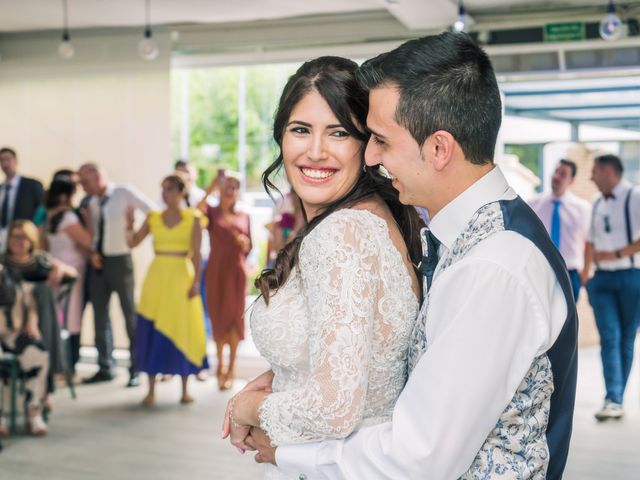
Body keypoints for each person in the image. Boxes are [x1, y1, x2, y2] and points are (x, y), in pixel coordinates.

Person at [237, 33, 578, 479]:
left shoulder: (494, 267)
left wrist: (274, 439)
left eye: (379, 139)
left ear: (438, 148)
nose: (372, 157)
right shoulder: (461, 238)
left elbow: (419, 458)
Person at [223, 56, 423, 480]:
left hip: (332, 464)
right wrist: (283, 375)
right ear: (281, 136)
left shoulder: (342, 234)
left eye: (338, 133)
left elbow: (334, 409)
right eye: (300, 130)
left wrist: (244, 406)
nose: (315, 151)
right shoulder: (372, 217)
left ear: (367, 144)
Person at [127, 174, 208, 406]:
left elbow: (198, 253)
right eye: (163, 189)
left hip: (182, 276)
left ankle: (185, 389)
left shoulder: (193, 218)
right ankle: (150, 390)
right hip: (157, 278)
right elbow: (133, 243)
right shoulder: (153, 217)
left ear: (182, 192)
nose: (166, 194)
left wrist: (195, 283)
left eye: (171, 189)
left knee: (183, 327)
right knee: (153, 328)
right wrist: (129, 224)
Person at [77, 163, 156, 387]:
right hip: (97, 262)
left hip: (120, 260)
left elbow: (153, 213)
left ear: (98, 175)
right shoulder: (90, 202)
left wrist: (134, 235)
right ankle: (105, 366)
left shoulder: (123, 192)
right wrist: (92, 253)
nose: (83, 187)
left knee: (129, 314)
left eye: (85, 181)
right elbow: (92, 235)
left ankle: (135, 368)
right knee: (99, 315)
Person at [584, 153, 640, 421]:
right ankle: (613, 398)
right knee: (610, 336)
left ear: (608, 172)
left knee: (626, 338)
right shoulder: (596, 202)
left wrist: (617, 254)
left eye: (594, 171)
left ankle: (616, 397)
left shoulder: (635, 196)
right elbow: (589, 240)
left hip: (632, 276)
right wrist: (587, 273)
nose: (590, 177)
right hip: (602, 280)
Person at [2, 220, 77, 411]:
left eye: (23, 237)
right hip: (12, 321)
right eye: (15, 236)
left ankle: (45, 389)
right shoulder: (3, 264)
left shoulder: (40, 260)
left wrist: (58, 269)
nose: (19, 242)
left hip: (42, 321)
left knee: (43, 292)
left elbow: (73, 273)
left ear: (31, 240)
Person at [199, 172, 250, 391]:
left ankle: (231, 368)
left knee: (234, 319)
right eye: (227, 186)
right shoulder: (211, 212)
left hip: (236, 272)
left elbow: (249, 248)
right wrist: (211, 187)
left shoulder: (244, 215)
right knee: (218, 316)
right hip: (216, 270)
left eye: (235, 187)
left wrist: (244, 242)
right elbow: (194, 213)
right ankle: (219, 366)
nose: (231, 191)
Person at [44, 178, 92, 374]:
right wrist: (88, 221)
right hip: (72, 273)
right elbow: (88, 241)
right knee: (71, 320)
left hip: (54, 271)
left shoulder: (48, 217)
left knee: (59, 317)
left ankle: (60, 366)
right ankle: (69, 366)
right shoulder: (69, 218)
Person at [529, 159, 591, 301]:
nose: (556, 177)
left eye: (562, 174)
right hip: (540, 271)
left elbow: (589, 242)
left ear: (571, 181)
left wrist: (585, 273)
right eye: (556, 172)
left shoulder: (583, 208)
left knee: (566, 320)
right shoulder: (533, 205)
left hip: (570, 273)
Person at [0, 278, 49, 436]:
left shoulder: (11, 275)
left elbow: (30, 303)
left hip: (15, 333)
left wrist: (32, 321)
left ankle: (33, 410)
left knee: (38, 353)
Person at [0, 148, 45, 252]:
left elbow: (42, 209)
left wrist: (36, 231)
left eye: (8, 159)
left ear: (15, 161)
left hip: (24, 240)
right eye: (2, 160)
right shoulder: (1, 188)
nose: (5, 164)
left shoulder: (32, 185)